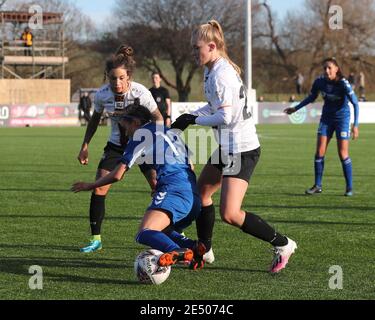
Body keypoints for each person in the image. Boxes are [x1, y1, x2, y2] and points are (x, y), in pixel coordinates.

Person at [171, 20, 297, 274]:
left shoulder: (222, 74)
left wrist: (193, 120)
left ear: (212, 46)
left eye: (198, 48)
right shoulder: (211, 69)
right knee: (201, 193)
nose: (195, 53)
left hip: (241, 149)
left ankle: (283, 244)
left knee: (230, 213)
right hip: (228, 146)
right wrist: (187, 116)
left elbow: (226, 118)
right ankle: (204, 250)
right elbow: (214, 108)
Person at [72, 104, 205, 269]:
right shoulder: (167, 131)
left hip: (174, 191)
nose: (125, 133)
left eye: (125, 127)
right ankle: (194, 247)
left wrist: (90, 185)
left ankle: (177, 250)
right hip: (194, 196)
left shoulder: (140, 136)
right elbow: (190, 166)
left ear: (134, 122)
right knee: (161, 229)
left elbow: (117, 175)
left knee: (144, 233)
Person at [77, 44, 164, 253]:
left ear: (129, 77)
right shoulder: (102, 95)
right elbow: (94, 121)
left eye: (121, 78)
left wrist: (159, 144)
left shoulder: (140, 92)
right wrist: (85, 146)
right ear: (107, 77)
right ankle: (96, 239)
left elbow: (159, 118)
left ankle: (171, 232)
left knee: (158, 188)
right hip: (116, 148)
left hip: (143, 147)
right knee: (99, 186)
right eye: (112, 78)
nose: (116, 83)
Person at [284, 58, 359, 196]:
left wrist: (355, 125)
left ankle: (349, 187)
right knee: (319, 152)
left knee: (343, 154)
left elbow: (355, 103)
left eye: (330, 68)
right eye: (325, 68)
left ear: (337, 69)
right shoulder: (320, 82)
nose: (327, 70)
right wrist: (296, 108)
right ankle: (317, 186)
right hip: (326, 119)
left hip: (342, 119)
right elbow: (312, 97)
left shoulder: (343, 83)